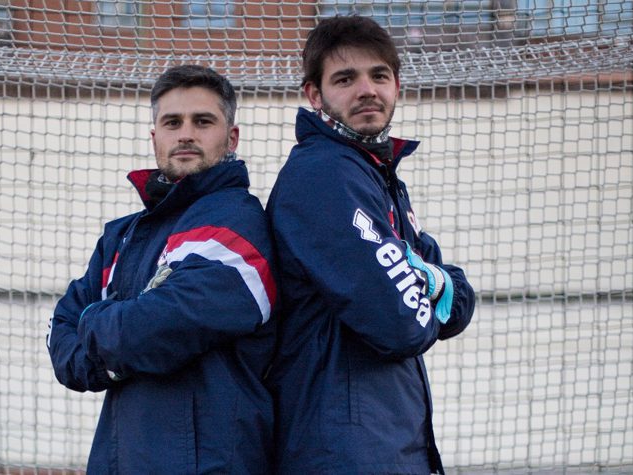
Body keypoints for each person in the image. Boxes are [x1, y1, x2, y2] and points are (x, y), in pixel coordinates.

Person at [265, 16, 476, 474]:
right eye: (345, 79)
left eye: (378, 75)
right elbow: (402, 324)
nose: (366, 90)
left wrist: (435, 283)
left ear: (396, 84)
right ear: (314, 95)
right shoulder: (325, 174)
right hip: (344, 450)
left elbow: (458, 303)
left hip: (388, 440)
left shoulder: (376, 176)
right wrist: (432, 285)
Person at [47, 65, 277, 474]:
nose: (186, 134)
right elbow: (61, 335)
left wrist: (97, 323)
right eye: (173, 122)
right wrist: (116, 350)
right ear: (155, 136)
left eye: (202, 121)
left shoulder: (239, 221)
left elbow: (160, 327)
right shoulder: (121, 235)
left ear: (232, 138)